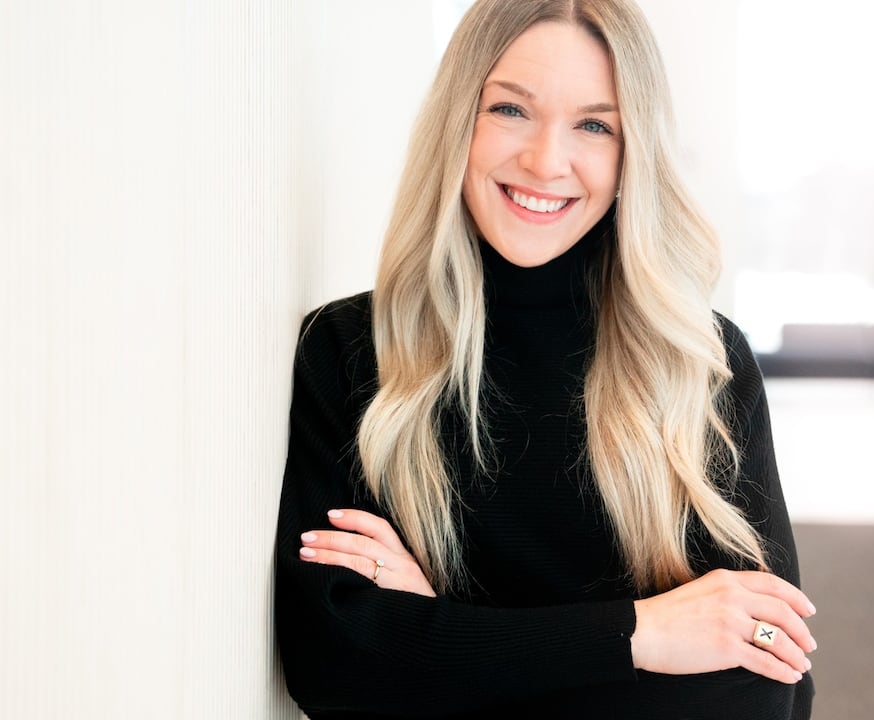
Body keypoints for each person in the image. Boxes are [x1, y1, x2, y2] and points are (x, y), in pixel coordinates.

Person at [273, 0, 816, 717]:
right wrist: (643, 633)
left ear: (631, 154)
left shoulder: (702, 363)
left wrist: (444, 639)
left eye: (594, 125)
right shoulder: (350, 353)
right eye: (510, 110)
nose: (545, 160)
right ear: (456, 121)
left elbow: (767, 687)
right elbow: (336, 668)